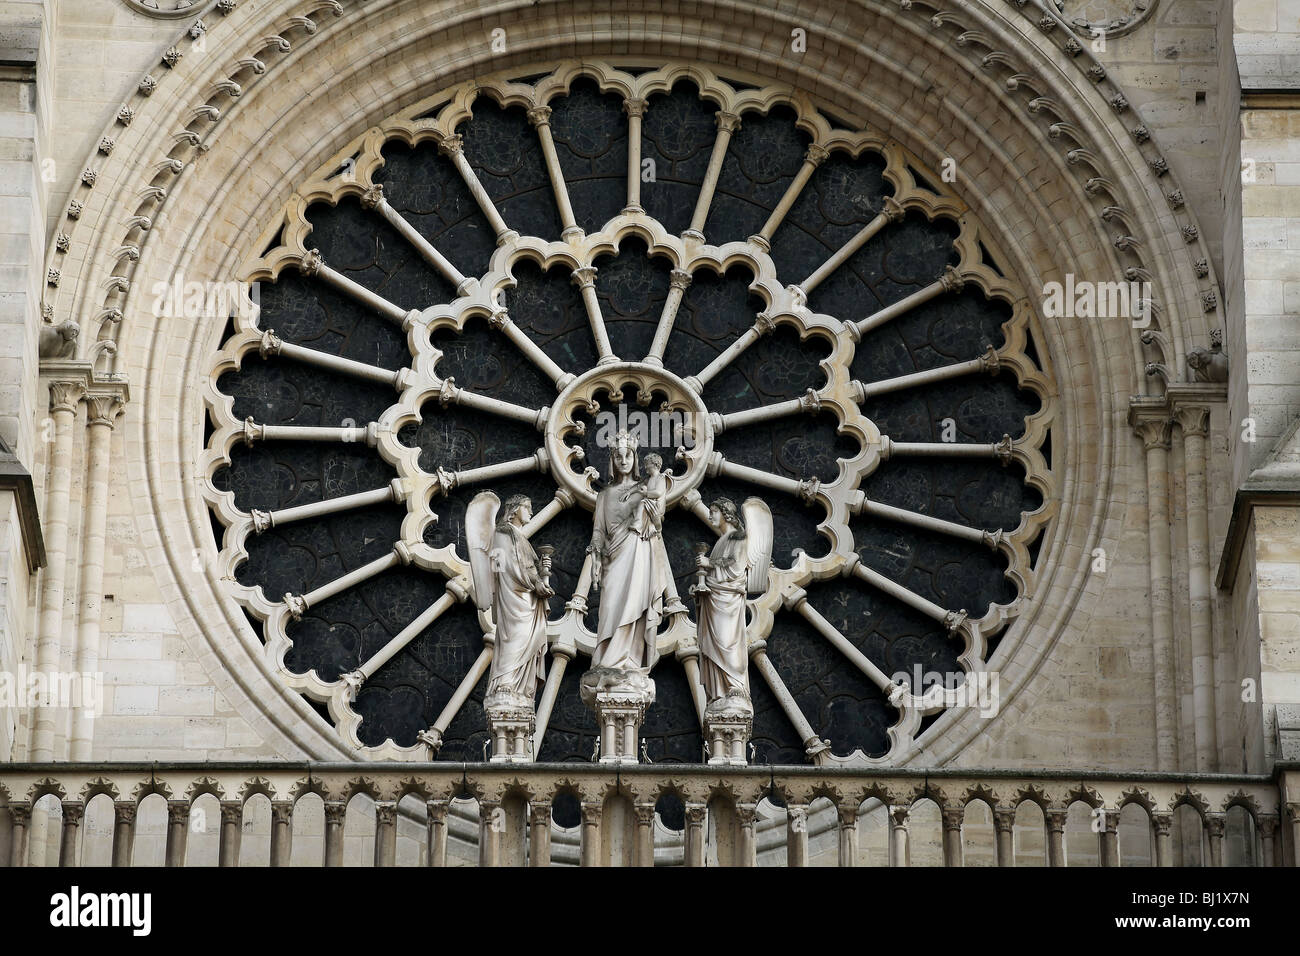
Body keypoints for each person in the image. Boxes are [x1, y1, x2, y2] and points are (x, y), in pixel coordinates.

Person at [587, 432, 672, 674]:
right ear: (612, 461)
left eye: (628, 456)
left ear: (635, 459)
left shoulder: (646, 487)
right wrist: (595, 557)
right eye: (618, 456)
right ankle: (606, 660)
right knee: (610, 607)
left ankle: (630, 661)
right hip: (613, 555)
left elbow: (657, 522)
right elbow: (598, 530)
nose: (623, 461)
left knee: (636, 605)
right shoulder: (604, 495)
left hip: (638, 550)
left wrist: (652, 514)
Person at [693, 498, 751, 709]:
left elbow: (736, 568)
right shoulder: (721, 541)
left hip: (728, 601)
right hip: (714, 599)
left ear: (726, 513)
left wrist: (709, 563)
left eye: (714, 511)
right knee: (714, 644)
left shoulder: (738, 537)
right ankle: (719, 691)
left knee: (727, 641)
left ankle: (734, 685)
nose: (710, 516)